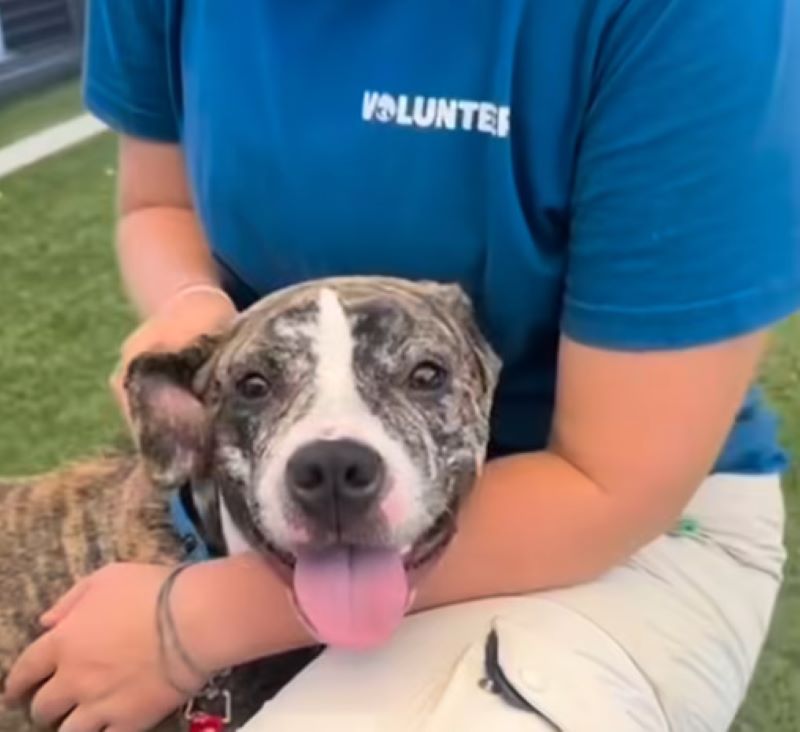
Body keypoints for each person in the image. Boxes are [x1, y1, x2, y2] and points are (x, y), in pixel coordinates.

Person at [4, 1, 799, 730]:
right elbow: (158, 204)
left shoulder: (690, 16)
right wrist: (192, 305)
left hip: (630, 523)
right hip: (267, 497)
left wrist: (192, 622)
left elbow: (614, 483)